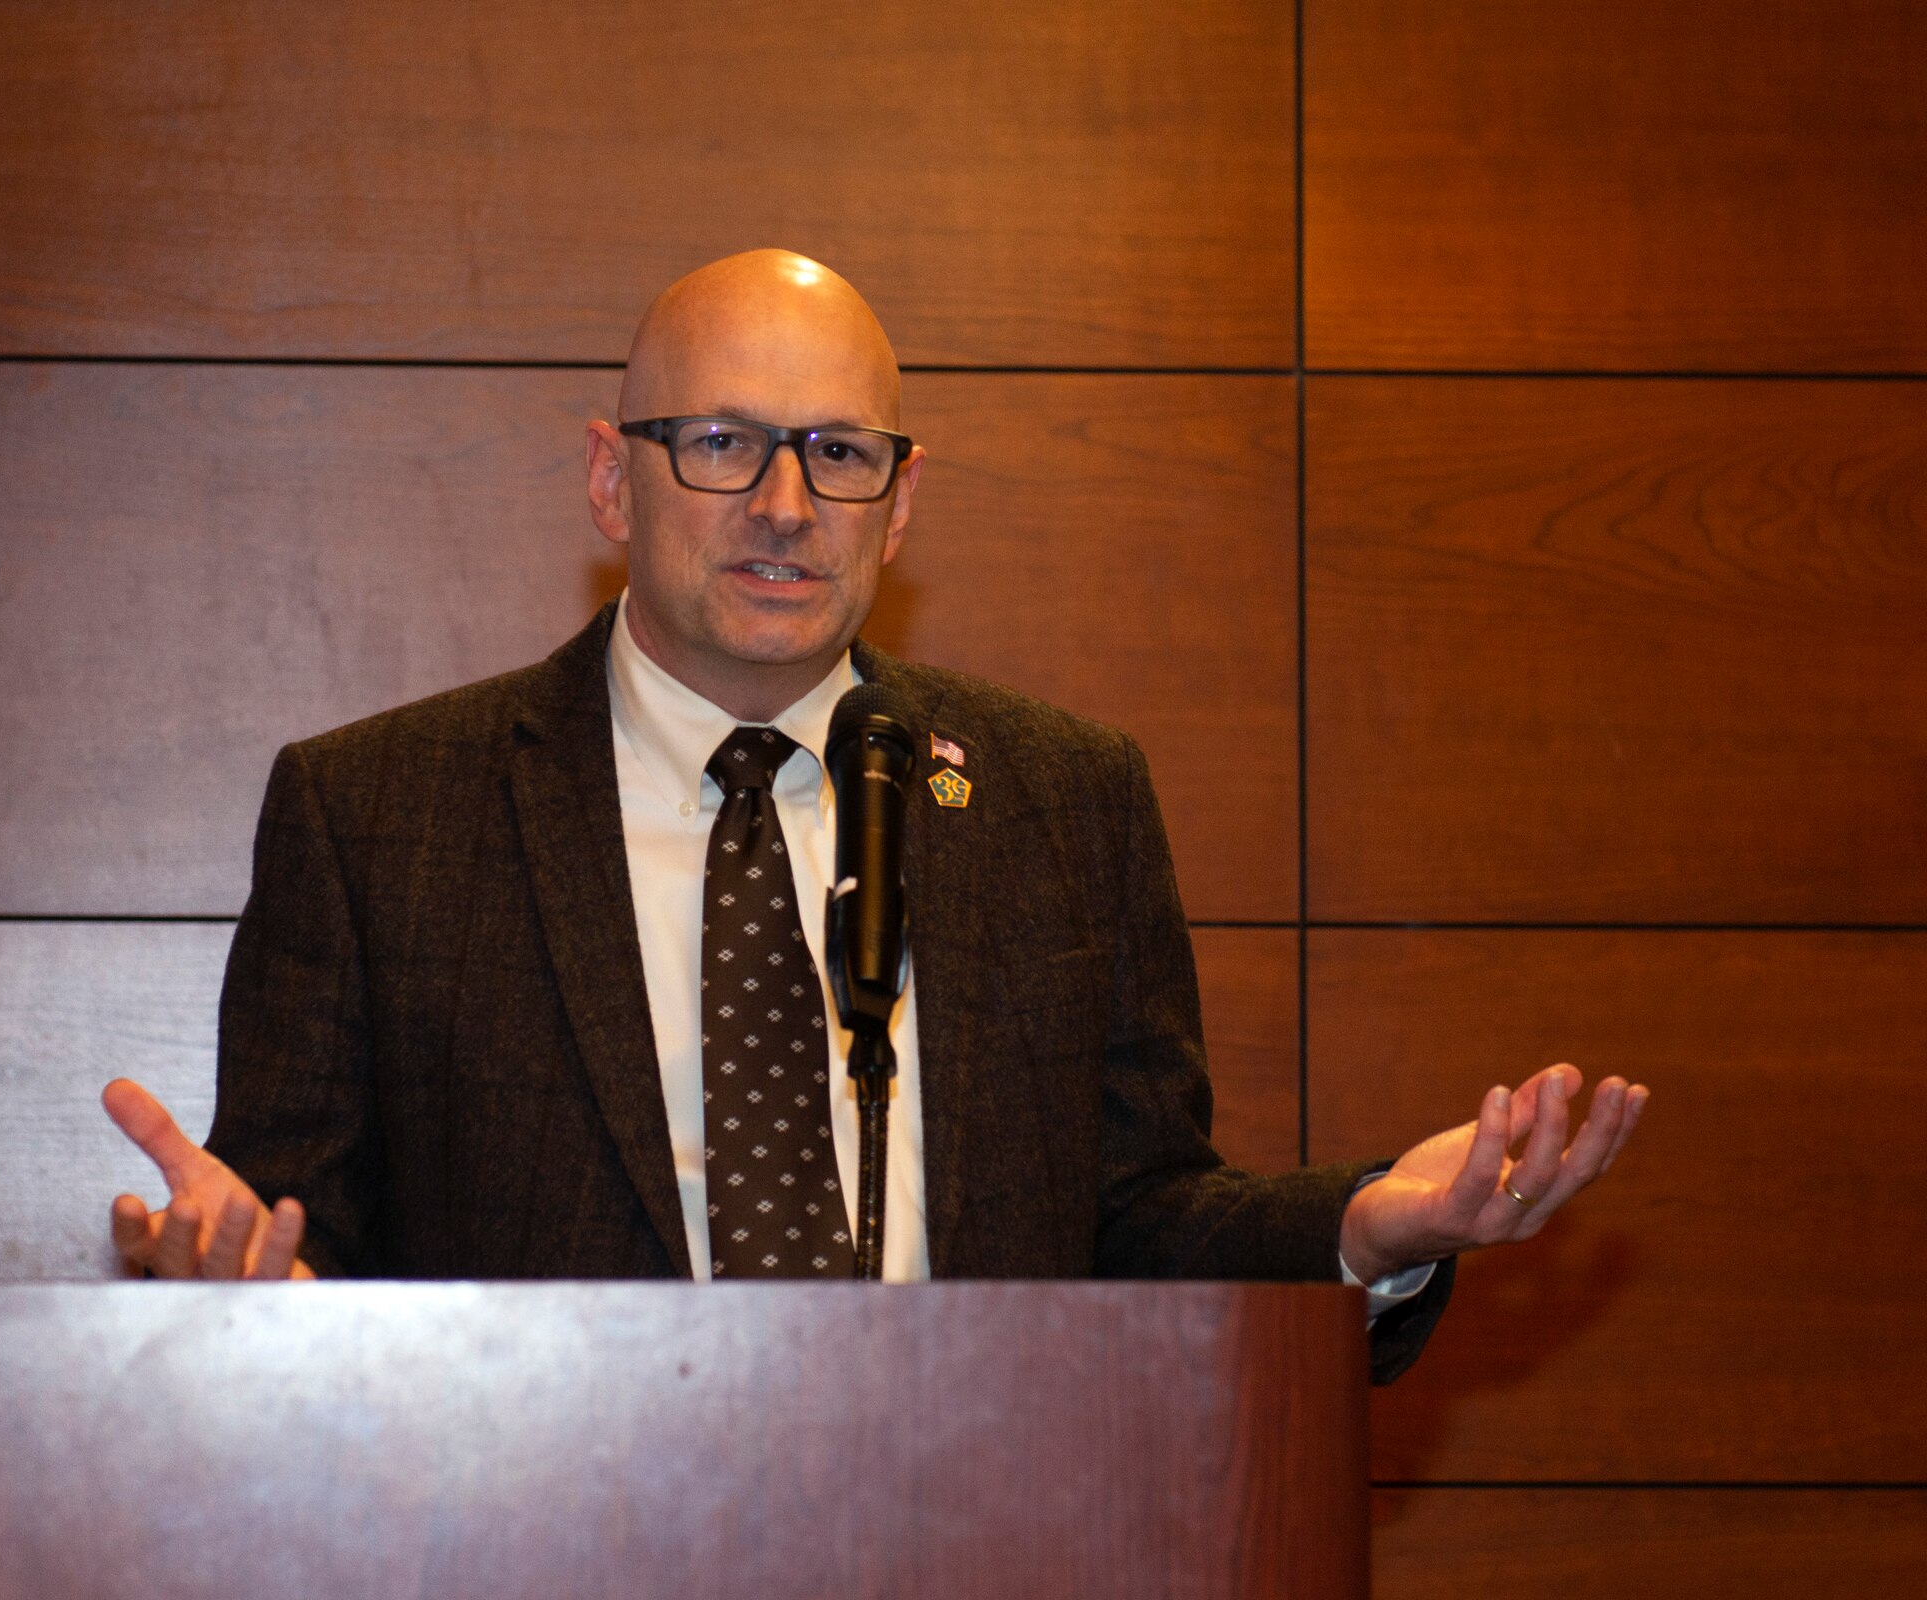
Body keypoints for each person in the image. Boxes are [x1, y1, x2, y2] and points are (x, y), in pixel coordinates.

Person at [102, 250, 1648, 1380]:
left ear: (899, 504)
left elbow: (1140, 1225)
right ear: (607, 479)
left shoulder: (1060, 802)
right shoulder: (379, 816)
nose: (785, 504)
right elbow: (297, 1249)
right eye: (722, 443)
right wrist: (246, 1289)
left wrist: (1370, 1230)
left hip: (980, 1532)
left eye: (839, 453)